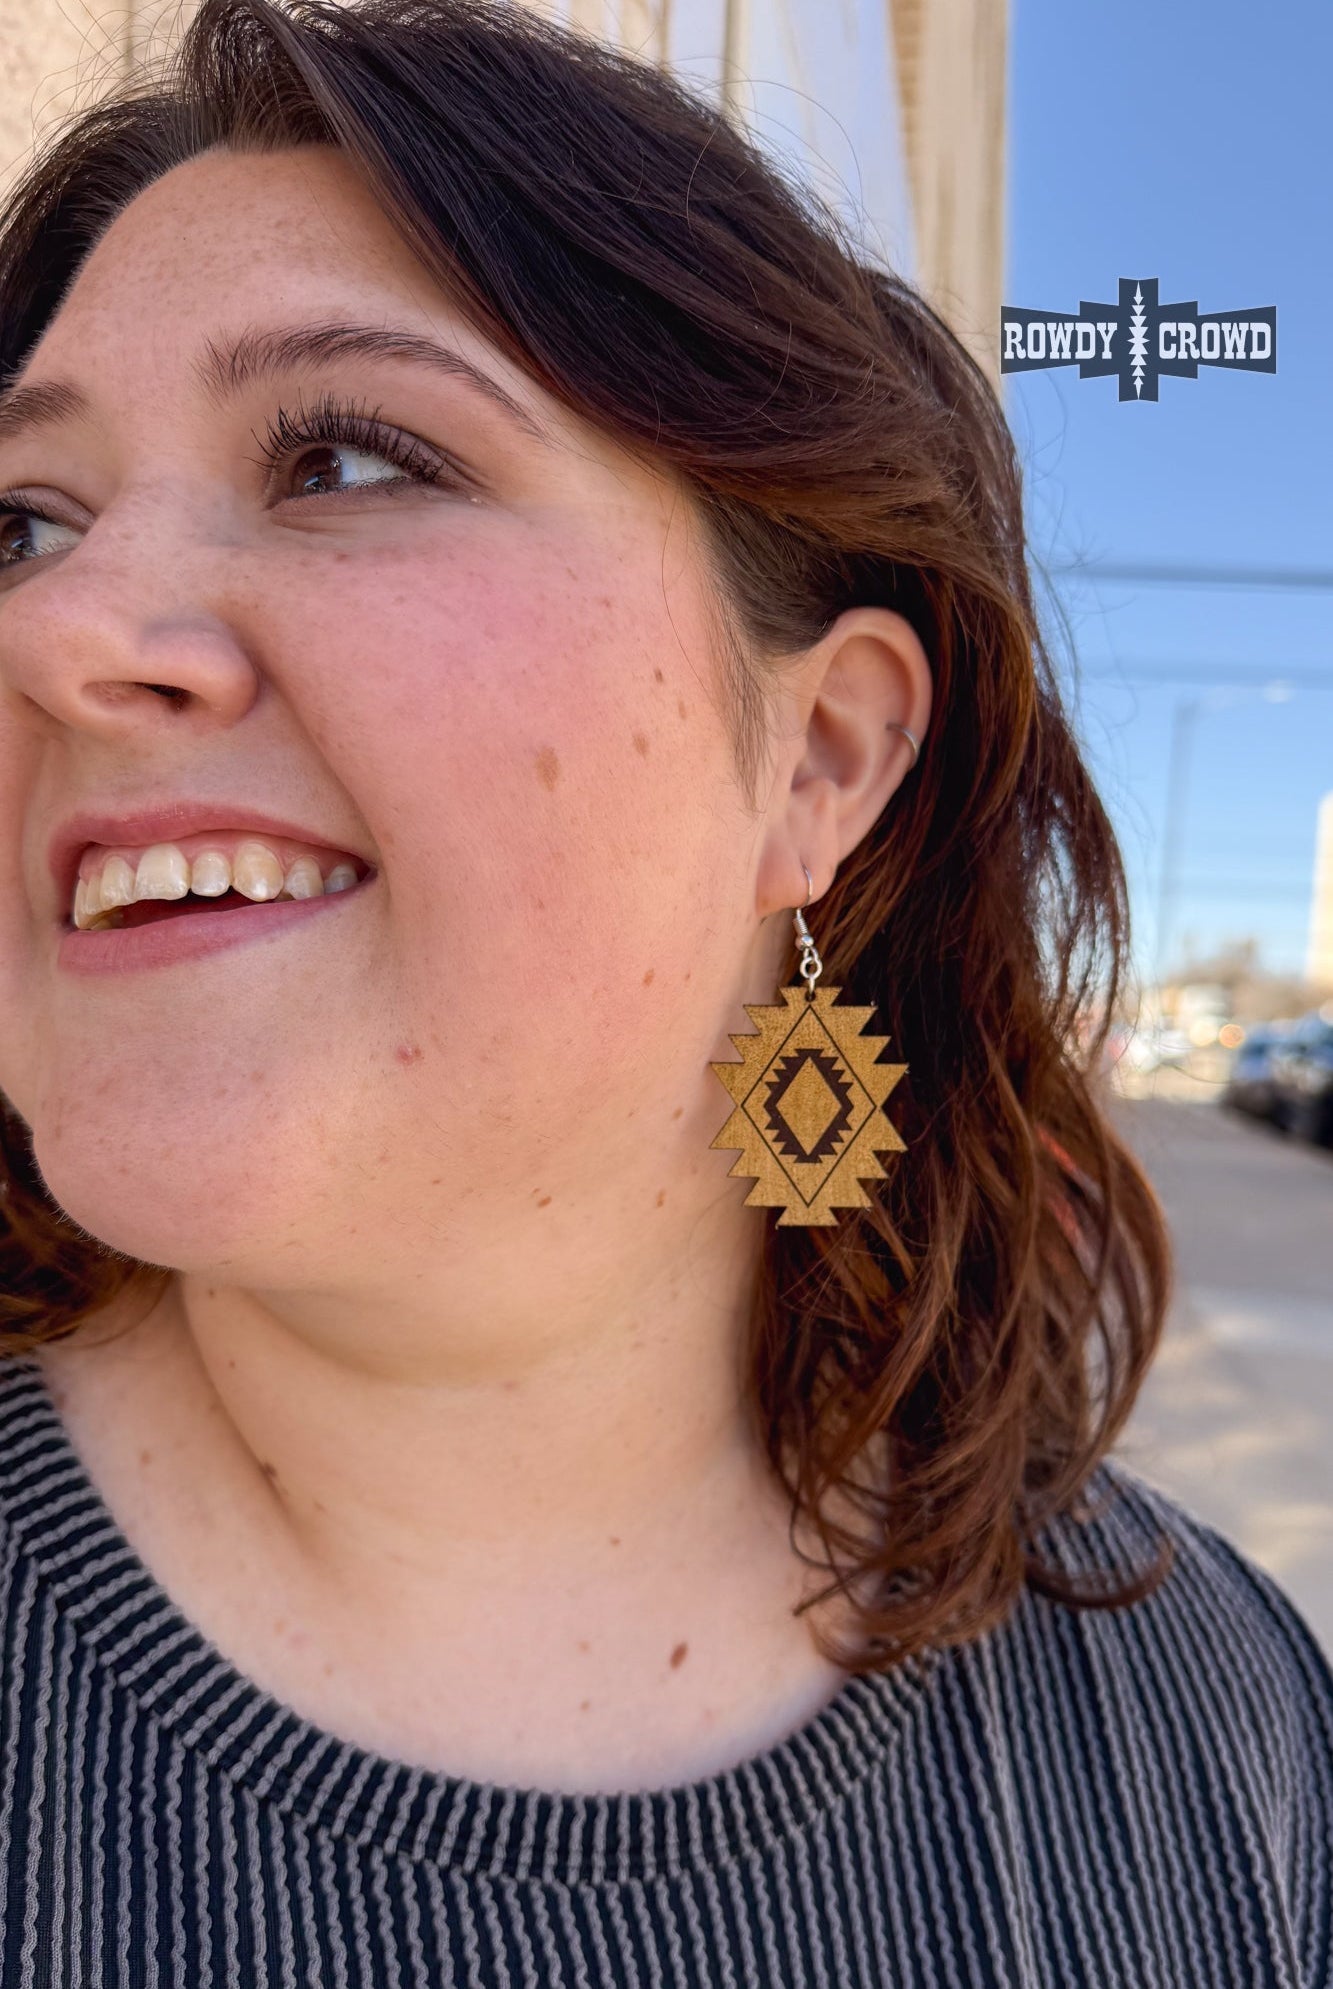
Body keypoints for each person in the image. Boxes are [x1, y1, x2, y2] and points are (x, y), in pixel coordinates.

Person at [0, 0, 1328, 1981]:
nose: (63, 626)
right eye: (22, 521)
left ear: (818, 761)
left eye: (347, 457)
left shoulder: (1214, 1739)